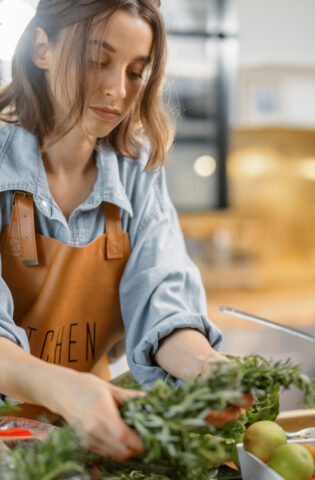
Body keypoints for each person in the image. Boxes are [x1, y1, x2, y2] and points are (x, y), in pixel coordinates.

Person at [0, 0, 245, 461]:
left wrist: (207, 367)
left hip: (92, 439)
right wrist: (66, 391)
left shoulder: (138, 171)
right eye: (98, 61)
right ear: (41, 49)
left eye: (136, 72)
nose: (117, 89)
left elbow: (162, 303)